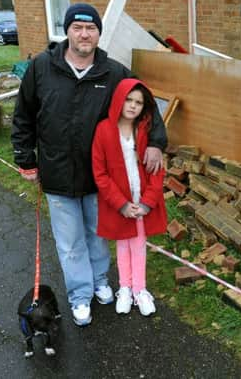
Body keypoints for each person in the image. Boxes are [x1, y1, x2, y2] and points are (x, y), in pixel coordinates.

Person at [11, 3, 167, 326]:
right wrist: (26, 159)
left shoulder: (113, 72)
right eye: (77, 27)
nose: (84, 34)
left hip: (101, 177)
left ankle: (99, 282)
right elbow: (23, 115)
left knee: (98, 235)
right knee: (69, 243)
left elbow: (145, 102)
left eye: (91, 28)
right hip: (57, 174)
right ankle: (80, 295)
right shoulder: (42, 68)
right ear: (66, 31)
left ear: (98, 33)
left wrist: (155, 142)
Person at [91, 78, 167, 316]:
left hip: (141, 201)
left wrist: (148, 202)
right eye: (129, 100)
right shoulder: (103, 129)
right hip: (120, 202)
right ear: (118, 101)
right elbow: (100, 172)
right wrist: (120, 204)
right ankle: (124, 288)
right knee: (122, 244)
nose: (133, 106)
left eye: (139, 102)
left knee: (139, 244)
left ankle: (140, 290)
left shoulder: (145, 131)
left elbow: (156, 170)